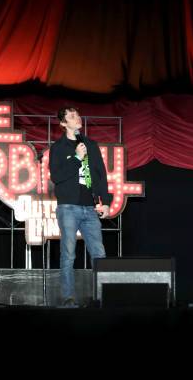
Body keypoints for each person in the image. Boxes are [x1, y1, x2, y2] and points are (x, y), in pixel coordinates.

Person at [49, 106, 111, 307]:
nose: (77, 118)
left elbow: (100, 175)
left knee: (99, 254)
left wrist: (106, 201)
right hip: (68, 207)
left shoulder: (90, 145)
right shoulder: (58, 148)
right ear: (63, 124)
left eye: (77, 115)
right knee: (68, 254)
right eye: (72, 116)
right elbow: (57, 177)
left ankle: (102, 298)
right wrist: (76, 158)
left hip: (89, 207)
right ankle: (68, 298)